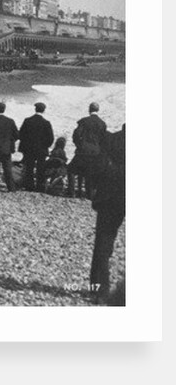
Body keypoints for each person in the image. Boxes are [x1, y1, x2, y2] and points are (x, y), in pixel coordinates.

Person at [89, 124, 125, 305]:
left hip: (111, 196)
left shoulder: (112, 139)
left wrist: (96, 188)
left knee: (103, 242)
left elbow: (98, 167)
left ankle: (99, 289)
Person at [69, 102, 108, 199]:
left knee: (71, 170)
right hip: (95, 152)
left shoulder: (84, 121)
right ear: (98, 110)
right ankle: (89, 195)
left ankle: (72, 193)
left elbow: (76, 135)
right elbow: (104, 140)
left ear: (89, 109)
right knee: (89, 173)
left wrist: (79, 145)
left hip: (83, 151)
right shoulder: (102, 124)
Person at [18, 102, 55, 192]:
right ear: (44, 111)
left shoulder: (27, 120)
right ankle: (40, 187)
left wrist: (25, 145)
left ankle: (29, 186)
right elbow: (51, 138)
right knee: (40, 168)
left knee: (29, 167)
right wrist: (46, 146)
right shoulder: (46, 123)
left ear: (35, 109)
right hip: (41, 149)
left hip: (29, 148)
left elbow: (21, 134)